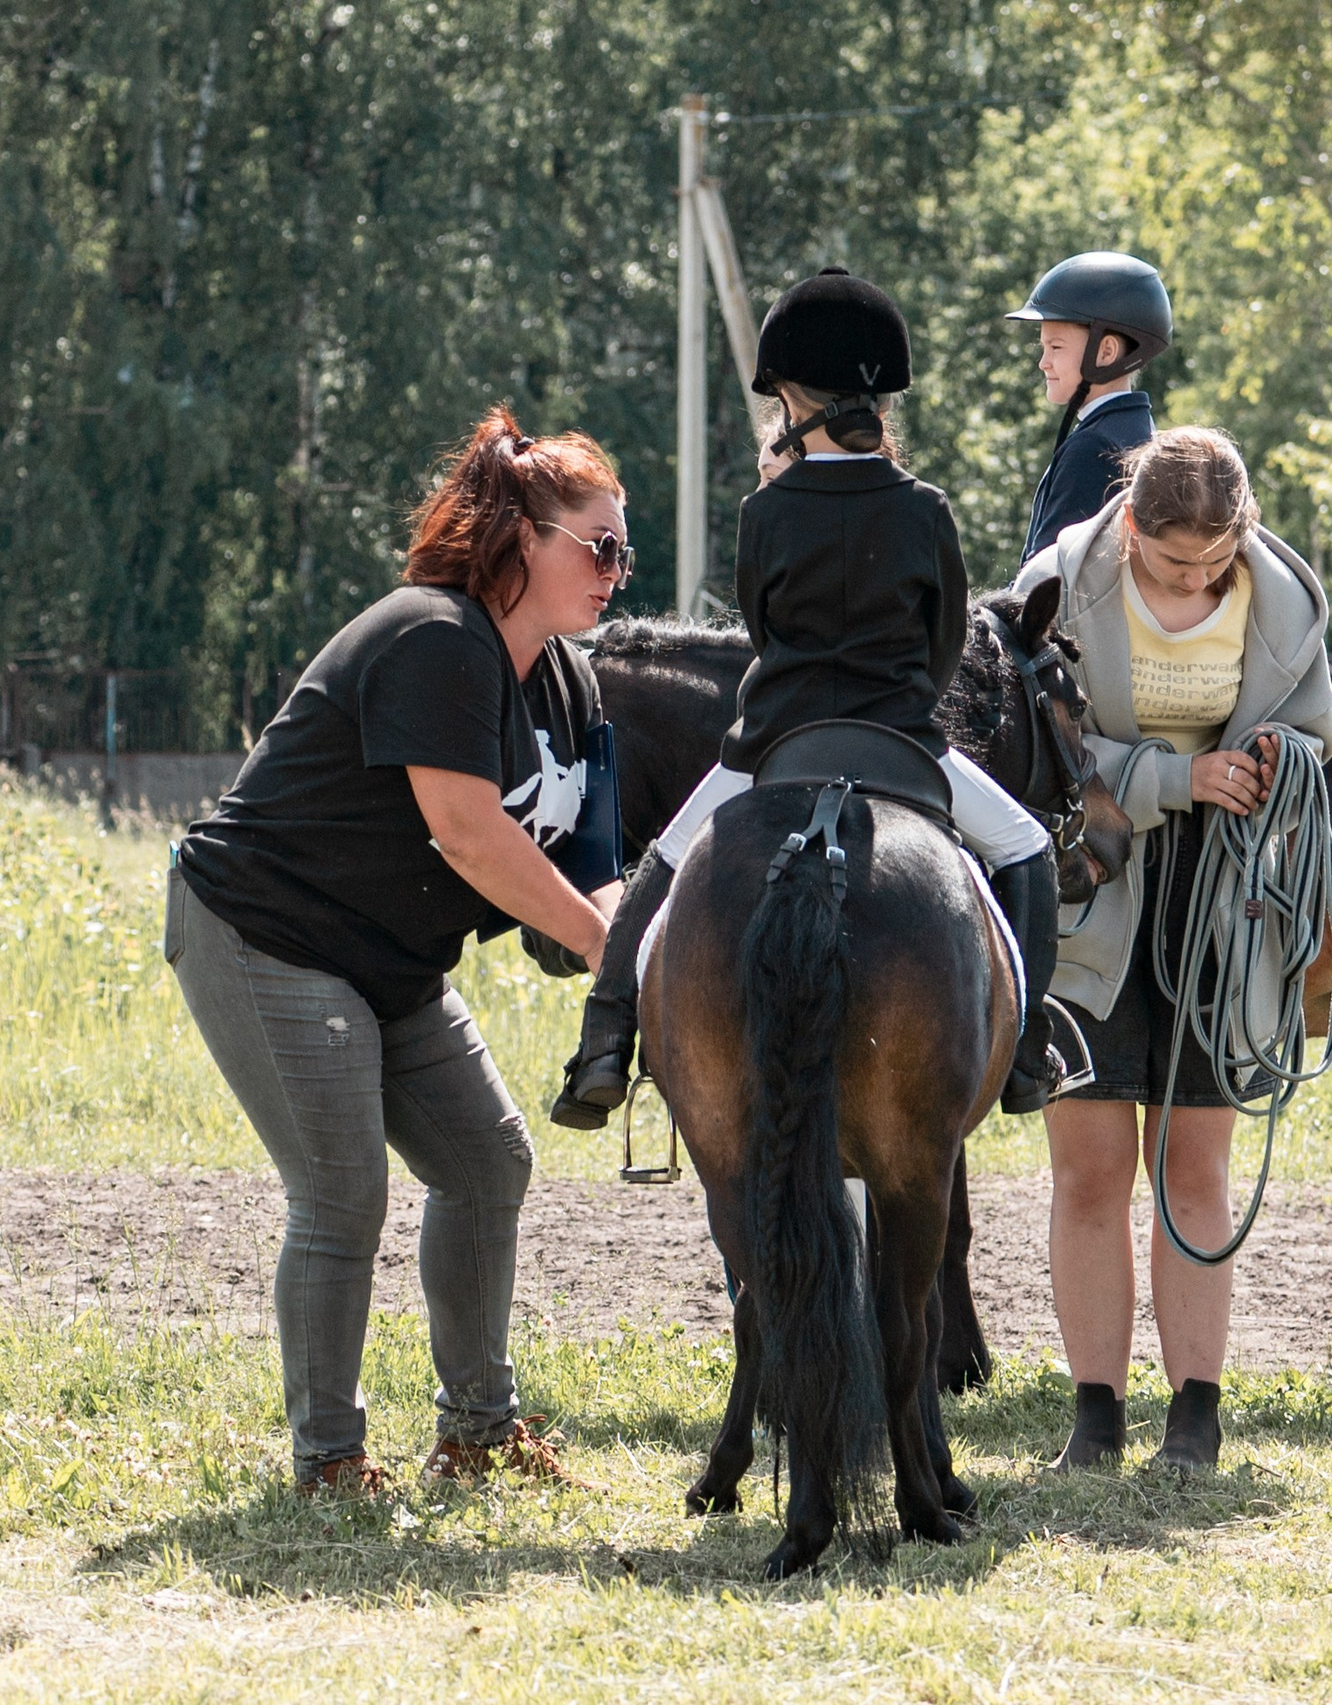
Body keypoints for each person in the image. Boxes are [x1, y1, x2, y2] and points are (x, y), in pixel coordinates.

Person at [170, 406, 626, 1495]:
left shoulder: (567, 682)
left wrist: (627, 940)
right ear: (524, 540)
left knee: (486, 1160)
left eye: (625, 550)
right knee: (341, 1189)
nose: (618, 569)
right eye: (599, 546)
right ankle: (328, 1464)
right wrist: (612, 947)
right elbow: (469, 832)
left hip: (384, 959)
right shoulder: (435, 637)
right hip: (263, 931)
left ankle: (476, 1434)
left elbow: (596, 854)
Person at [553, 266, 1063, 1129]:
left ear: (788, 396)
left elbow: (763, 629)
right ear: (881, 400)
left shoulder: (766, 511)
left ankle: (604, 1040)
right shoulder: (926, 509)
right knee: (1026, 850)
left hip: (773, 747)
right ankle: (1024, 1049)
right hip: (903, 741)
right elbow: (944, 648)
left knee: (666, 866)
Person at [1013, 426, 1332, 1472]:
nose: (1195, 576)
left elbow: (1316, 722)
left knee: (1193, 1166)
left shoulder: (1282, 597)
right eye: (1169, 564)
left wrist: (1282, 750)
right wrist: (1175, 780)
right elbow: (1035, 738)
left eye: (1211, 562)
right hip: (1090, 890)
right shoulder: (1060, 584)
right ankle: (1095, 1417)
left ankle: (1195, 1415)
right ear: (1128, 531)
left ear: (1241, 531)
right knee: (1090, 1169)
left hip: (1226, 901)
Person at [1007, 250, 1172, 567]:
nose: (1044, 362)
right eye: (1043, 348)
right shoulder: (1134, 429)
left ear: (1106, 351)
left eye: (1055, 347)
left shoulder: (1093, 449)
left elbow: (1048, 579)